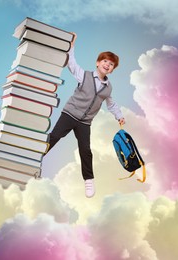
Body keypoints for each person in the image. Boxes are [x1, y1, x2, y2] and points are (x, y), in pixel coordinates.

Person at [46, 33, 125, 198]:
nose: (107, 65)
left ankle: (88, 180)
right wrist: (71, 46)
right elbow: (72, 64)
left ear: (113, 69)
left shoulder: (108, 88)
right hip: (70, 114)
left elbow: (111, 103)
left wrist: (119, 116)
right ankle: (35, 156)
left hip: (85, 122)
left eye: (111, 64)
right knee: (54, 136)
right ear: (97, 63)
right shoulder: (85, 75)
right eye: (105, 61)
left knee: (86, 150)